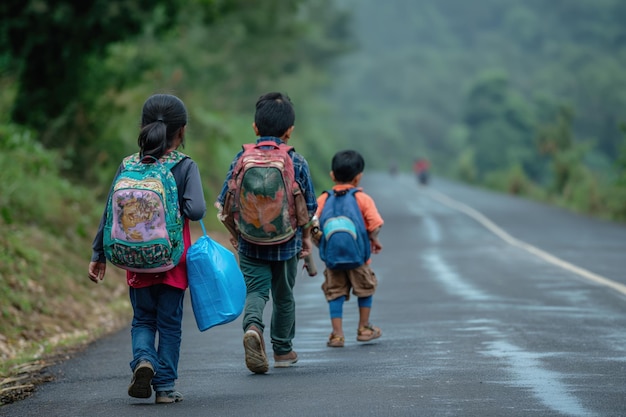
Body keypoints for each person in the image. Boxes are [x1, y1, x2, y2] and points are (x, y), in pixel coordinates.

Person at [88, 94, 206, 404]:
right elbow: (196, 211)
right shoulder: (184, 165)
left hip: (134, 259)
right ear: (181, 132)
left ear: (144, 126)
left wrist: (98, 254)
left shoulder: (128, 164)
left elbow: (108, 213)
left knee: (142, 319)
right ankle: (165, 388)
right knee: (169, 323)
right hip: (171, 260)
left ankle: (143, 360)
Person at [215, 92, 317, 373]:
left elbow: (224, 202)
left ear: (255, 128)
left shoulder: (242, 157)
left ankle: (252, 329)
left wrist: (235, 233)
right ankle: (283, 351)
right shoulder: (296, 162)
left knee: (257, 291)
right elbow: (308, 207)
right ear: (290, 131)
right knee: (284, 295)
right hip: (287, 243)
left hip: (249, 242)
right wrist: (306, 239)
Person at [314, 150, 384, 348]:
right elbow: (375, 223)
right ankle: (363, 328)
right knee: (365, 289)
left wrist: (321, 244)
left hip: (332, 259)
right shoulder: (362, 199)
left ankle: (337, 335)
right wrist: (374, 239)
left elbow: (313, 224)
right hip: (359, 258)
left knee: (334, 292)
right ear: (358, 177)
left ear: (332, 176)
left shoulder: (323, 199)